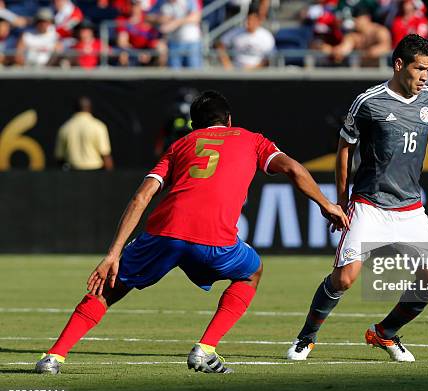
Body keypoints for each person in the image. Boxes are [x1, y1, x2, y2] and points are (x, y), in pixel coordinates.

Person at [36, 90, 349, 375]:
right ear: (228, 120)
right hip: (214, 241)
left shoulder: (180, 145)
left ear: (194, 125)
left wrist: (113, 253)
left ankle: (54, 356)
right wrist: (326, 204)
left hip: (163, 233)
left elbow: (141, 197)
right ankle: (206, 348)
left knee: (108, 289)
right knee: (252, 272)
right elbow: (294, 169)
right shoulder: (252, 140)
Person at [287, 34, 428, 362]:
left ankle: (384, 333)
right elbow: (345, 150)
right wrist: (341, 201)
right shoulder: (369, 102)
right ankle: (306, 338)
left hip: (410, 209)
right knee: (344, 278)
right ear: (400, 64)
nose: (425, 76)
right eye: (420, 68)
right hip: (368, 205)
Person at [55, 97, 113, 171]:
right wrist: (110, 178)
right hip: (95, 173)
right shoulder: (98, 126)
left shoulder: (65, 128)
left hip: (72, 174)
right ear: (90, 108)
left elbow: (59, 158)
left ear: (74, 109)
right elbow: (106, 155)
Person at [148, 0, 202, 69]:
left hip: (192, 42)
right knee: (174, 75)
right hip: (173, 43)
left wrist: (175, 23)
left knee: (194, 74)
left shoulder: (188, 1)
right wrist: (160, 19)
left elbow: (196, 18)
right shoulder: (161, 2)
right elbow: (148, 17)